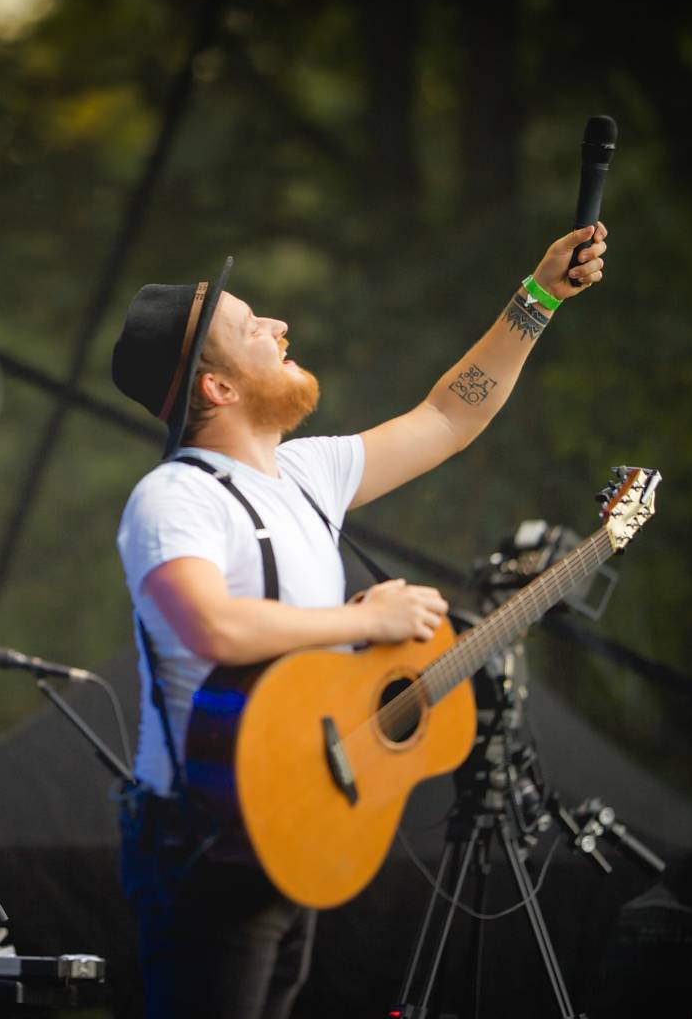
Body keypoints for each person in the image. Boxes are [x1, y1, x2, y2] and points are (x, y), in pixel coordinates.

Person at [109, 224, 609, 1018]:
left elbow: (451, 415)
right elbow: (213, 629)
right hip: (202, 843)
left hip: (292, 814)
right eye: (251, 326)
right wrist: (368, 622)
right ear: (217, 389)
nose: (280, 327)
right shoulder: (175, 497)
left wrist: (540, 294)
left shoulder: (306, 474)